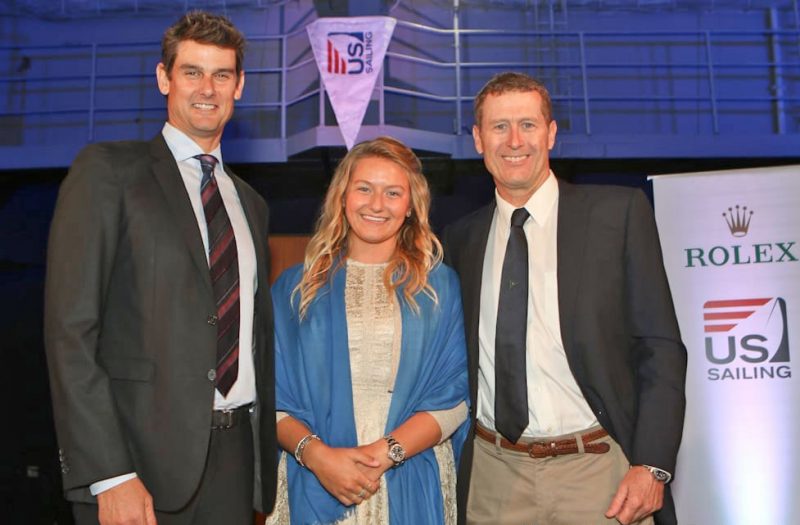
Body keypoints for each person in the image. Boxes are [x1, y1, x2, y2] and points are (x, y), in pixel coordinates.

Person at [44, 11, 276, 525]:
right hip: (136, 470)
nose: (207, 88)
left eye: (222, 75)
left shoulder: (251, 205)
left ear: (239, 85)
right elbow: (70, 333)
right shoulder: (107, 173)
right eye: (192, 72)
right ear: (164, 78)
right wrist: (109, 473)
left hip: (234, 466)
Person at [442, 72, 687, 525]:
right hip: (495, 478)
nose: (514, 141)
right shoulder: (460, 240)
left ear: (551, 133)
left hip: (598, 473)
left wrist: (652, 464)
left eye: (528, 125)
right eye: (499, 127)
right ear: (478, 139)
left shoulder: (618, 214)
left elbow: (661, 348)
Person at [267, 136, 469, 525]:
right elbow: (272, 395)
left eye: (393, 192)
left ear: (410, 206)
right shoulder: (295, 289)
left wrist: (384, 454)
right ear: (342, 197)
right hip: (314, 477)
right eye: (364, 189)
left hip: (410, 477)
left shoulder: (439, 287)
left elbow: (455, 395)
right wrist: (320, 457)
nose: (377, 204)